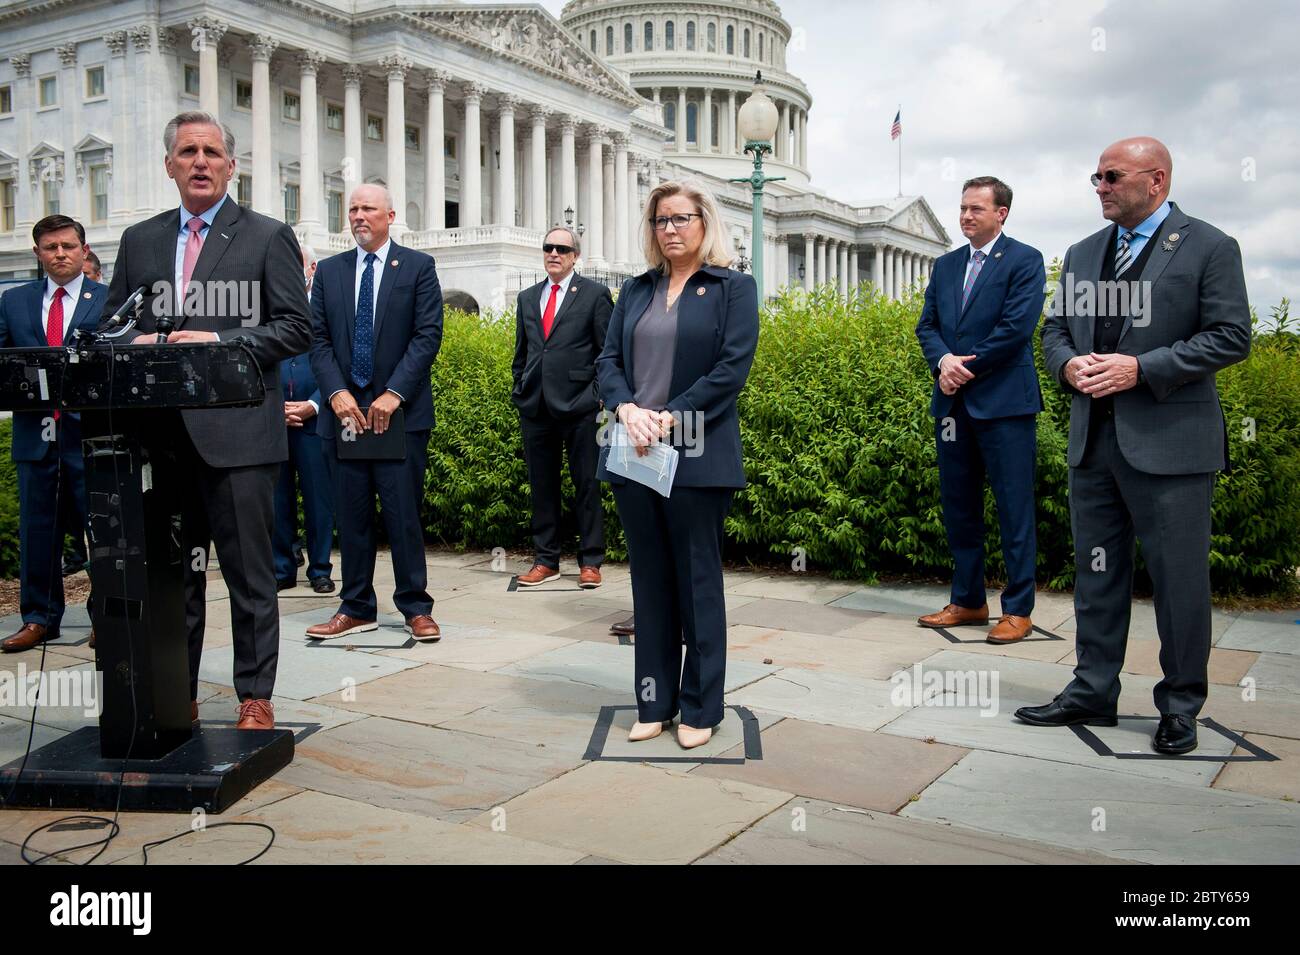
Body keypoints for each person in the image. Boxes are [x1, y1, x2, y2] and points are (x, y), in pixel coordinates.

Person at [1021, 137, 1251, 755]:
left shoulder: (1209, 246)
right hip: (1093, 444)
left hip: (1172, 448)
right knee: (1097, 576)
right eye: (1094, 176)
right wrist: (1068, 367)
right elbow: (1056, 330)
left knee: (1178, 582)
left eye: (1111, 175)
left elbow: (1231, 336)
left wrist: (1141, 369)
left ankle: (1180, 707)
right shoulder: (1081, 253)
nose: (1099, 185)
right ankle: (1093, 688)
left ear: (1157, 181)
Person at [102, 110, 313, 729]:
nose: (200, 161)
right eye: (188, 152)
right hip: (158, 441)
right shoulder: (140, 239)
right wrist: (132, 342)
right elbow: (110, 326)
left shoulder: (267, 235)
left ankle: (255, 694)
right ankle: (176, 693)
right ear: (169, 165)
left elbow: (295, 327)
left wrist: (220, 340)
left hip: (238, 440)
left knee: (248, 577)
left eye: (212, 152)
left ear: (231, 165)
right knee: (173, 579)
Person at [595, 179, 759, 749]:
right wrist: (626, 408)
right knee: (651, 585)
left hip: (696, 451)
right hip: (633, 450)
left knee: (696, 583)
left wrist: (668, 417)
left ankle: (699, 707)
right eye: (661, 220)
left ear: (703, 223)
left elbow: (730, 369)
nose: (670, 229)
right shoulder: (635, 290)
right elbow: (609, 359)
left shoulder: (733, 289)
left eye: (681, 219)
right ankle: (653, 701)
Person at [305, 185, 444, 642]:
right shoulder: (329, 272)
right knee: (352, 514)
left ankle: (415, 606)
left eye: (368, 209)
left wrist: (394, 393)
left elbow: (426, 336)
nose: (359, 216)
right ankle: (356, 605)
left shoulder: (418, 268)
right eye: (353, 209)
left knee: (403, 514)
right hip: (345, 416)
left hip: (398, 417)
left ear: (391, 214)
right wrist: (336, 394)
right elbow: (318, 340)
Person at [914, 177, 1046, 643]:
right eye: (963, 208)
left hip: (1005, 405)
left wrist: (962, 367)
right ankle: (969, 601)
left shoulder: (1025, 261)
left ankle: (1018, 609)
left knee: (1014, 509)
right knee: (959, 508)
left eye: (976, 209)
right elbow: (927, 325)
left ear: (1001, 213)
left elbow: (1016, 329)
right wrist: (942, 361)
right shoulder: (946, 265)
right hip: (952, 406)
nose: (966, 216)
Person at [0, 216, 106, 651]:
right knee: (37, 533)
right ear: (37, 254)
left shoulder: (107, 300)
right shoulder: (15, 301)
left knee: (100, 535)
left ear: (83, 250)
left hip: (90, 439)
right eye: (50, 247)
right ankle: (39, 618)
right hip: (35, 438)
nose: (59, 253)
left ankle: (106, 618)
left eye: (67, 245)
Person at [511, 226, 613, 588]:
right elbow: (523, 352)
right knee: (542, 486)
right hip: (536, 406)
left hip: (581, 407)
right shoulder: (527, 297)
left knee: (586, 483)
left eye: (561, 249)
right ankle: (546, 560)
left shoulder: (595, 295)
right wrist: (519, 387)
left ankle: (590, 561)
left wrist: (597, 395)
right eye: (548, 248)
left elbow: (608, 353)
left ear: (574, 256)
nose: (553, 253)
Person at [273, 244, 335, 594]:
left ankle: (321, 569)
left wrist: (314, 404)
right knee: (276, 498)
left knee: (318, 499)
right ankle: (282, 568)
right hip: (275, 419)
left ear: (311, 267)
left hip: (315, 419)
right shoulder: (268, 306)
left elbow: (335, 361)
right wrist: (275, 407)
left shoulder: (325, 306)